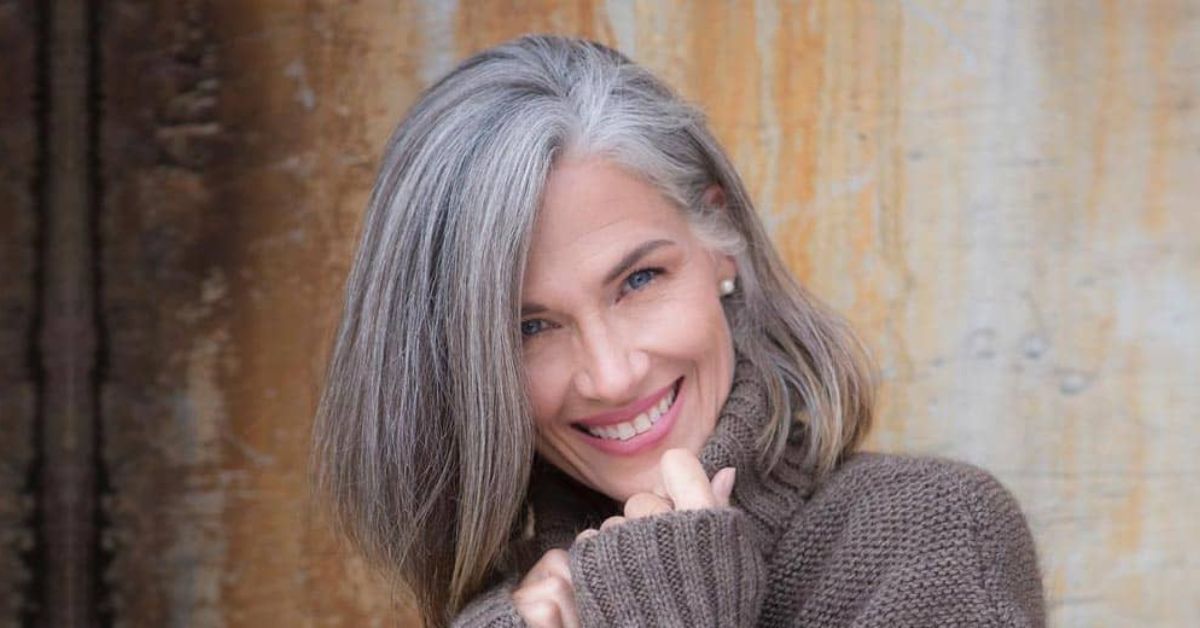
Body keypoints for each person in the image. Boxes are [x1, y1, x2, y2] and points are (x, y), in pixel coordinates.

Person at [311, 34, 1045, 627]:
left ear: (719, 235)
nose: (613, 374)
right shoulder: (517, 614)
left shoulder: (924, 535)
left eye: (639, 280)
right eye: (531, 326)